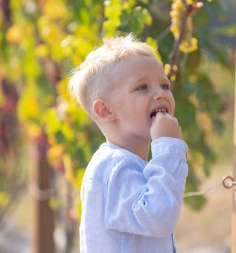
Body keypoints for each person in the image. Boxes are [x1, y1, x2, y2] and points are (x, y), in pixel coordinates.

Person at [69, 34, 189, 253]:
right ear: (106, 110)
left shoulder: (127, 164)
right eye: (142, 87)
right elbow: (158, 216)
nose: (160, 94)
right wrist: (168, 147)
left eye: (164, 85)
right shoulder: (114, 168)